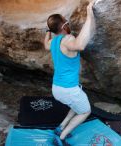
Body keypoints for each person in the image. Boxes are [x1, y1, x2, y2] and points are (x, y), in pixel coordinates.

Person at [44, 1, 96, 145]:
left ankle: (60, 127)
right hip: (68, 89)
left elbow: (45, 44)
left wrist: (47, 31)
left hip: (57, 88)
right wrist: (89, 15)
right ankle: (61, 137)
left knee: (76, 106)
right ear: (63, 26)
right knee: (85, 112)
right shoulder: (68, 39)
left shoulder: (53, 42)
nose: (68, 23)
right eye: (66, 21)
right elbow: (80, 45)